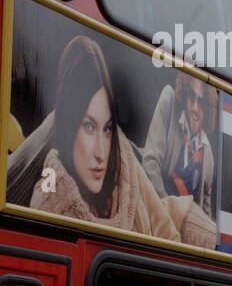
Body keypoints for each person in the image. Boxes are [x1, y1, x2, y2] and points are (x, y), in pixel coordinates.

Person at [23, 36, 215, 247]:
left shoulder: (122, 154)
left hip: (179, 211)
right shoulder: (50, 197)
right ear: (69, 124)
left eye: (106, 129)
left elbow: (166, 229)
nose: (100, 152)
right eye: (88, 126)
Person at [142, 69, 215, 218]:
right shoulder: (169, 100)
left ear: (207, 109)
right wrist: (167, 213)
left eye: (201, 102)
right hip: (155, 210)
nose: (195, 108)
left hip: (182, 230)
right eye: (191, 97)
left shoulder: (208, 157)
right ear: (184, 96)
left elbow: (206, 208)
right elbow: (150, 163)